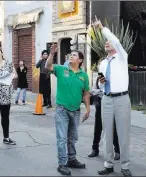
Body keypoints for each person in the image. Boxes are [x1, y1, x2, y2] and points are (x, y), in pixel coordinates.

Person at [94, 19, 132, 177]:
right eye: (105, 42)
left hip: (122, 99)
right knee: (106, 133)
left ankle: (125, 165)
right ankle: (108, 164)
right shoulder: (102, 63)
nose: (107, 43)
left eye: (109, 42)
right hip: (107, 99)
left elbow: (115, 40)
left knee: (123, 133)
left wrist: (102, 29)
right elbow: (102, 84)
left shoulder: (122, 57)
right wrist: (101, 84)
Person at [45, 44, 90, 175]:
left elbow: (86, 93)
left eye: (74, 55)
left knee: (73, 137)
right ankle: (62, 163)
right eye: (71, 55)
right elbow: (48, 66)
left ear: (80, 60)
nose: (71, 56)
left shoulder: (84, 75)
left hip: (76, 110)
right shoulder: (61, 69)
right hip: (62, 109)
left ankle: (72, 159)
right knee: (62, 138)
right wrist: (51, 54)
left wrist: (87, 109)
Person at [88, 76, 120, 160]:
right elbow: (92, 90)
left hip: (111, 104)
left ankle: (117, 150)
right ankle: (95, 149)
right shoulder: (98, 78)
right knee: (97, 128)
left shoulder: (113, 78)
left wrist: (102, 91)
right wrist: (101, 91)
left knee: (113, 128)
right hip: (100, 104)